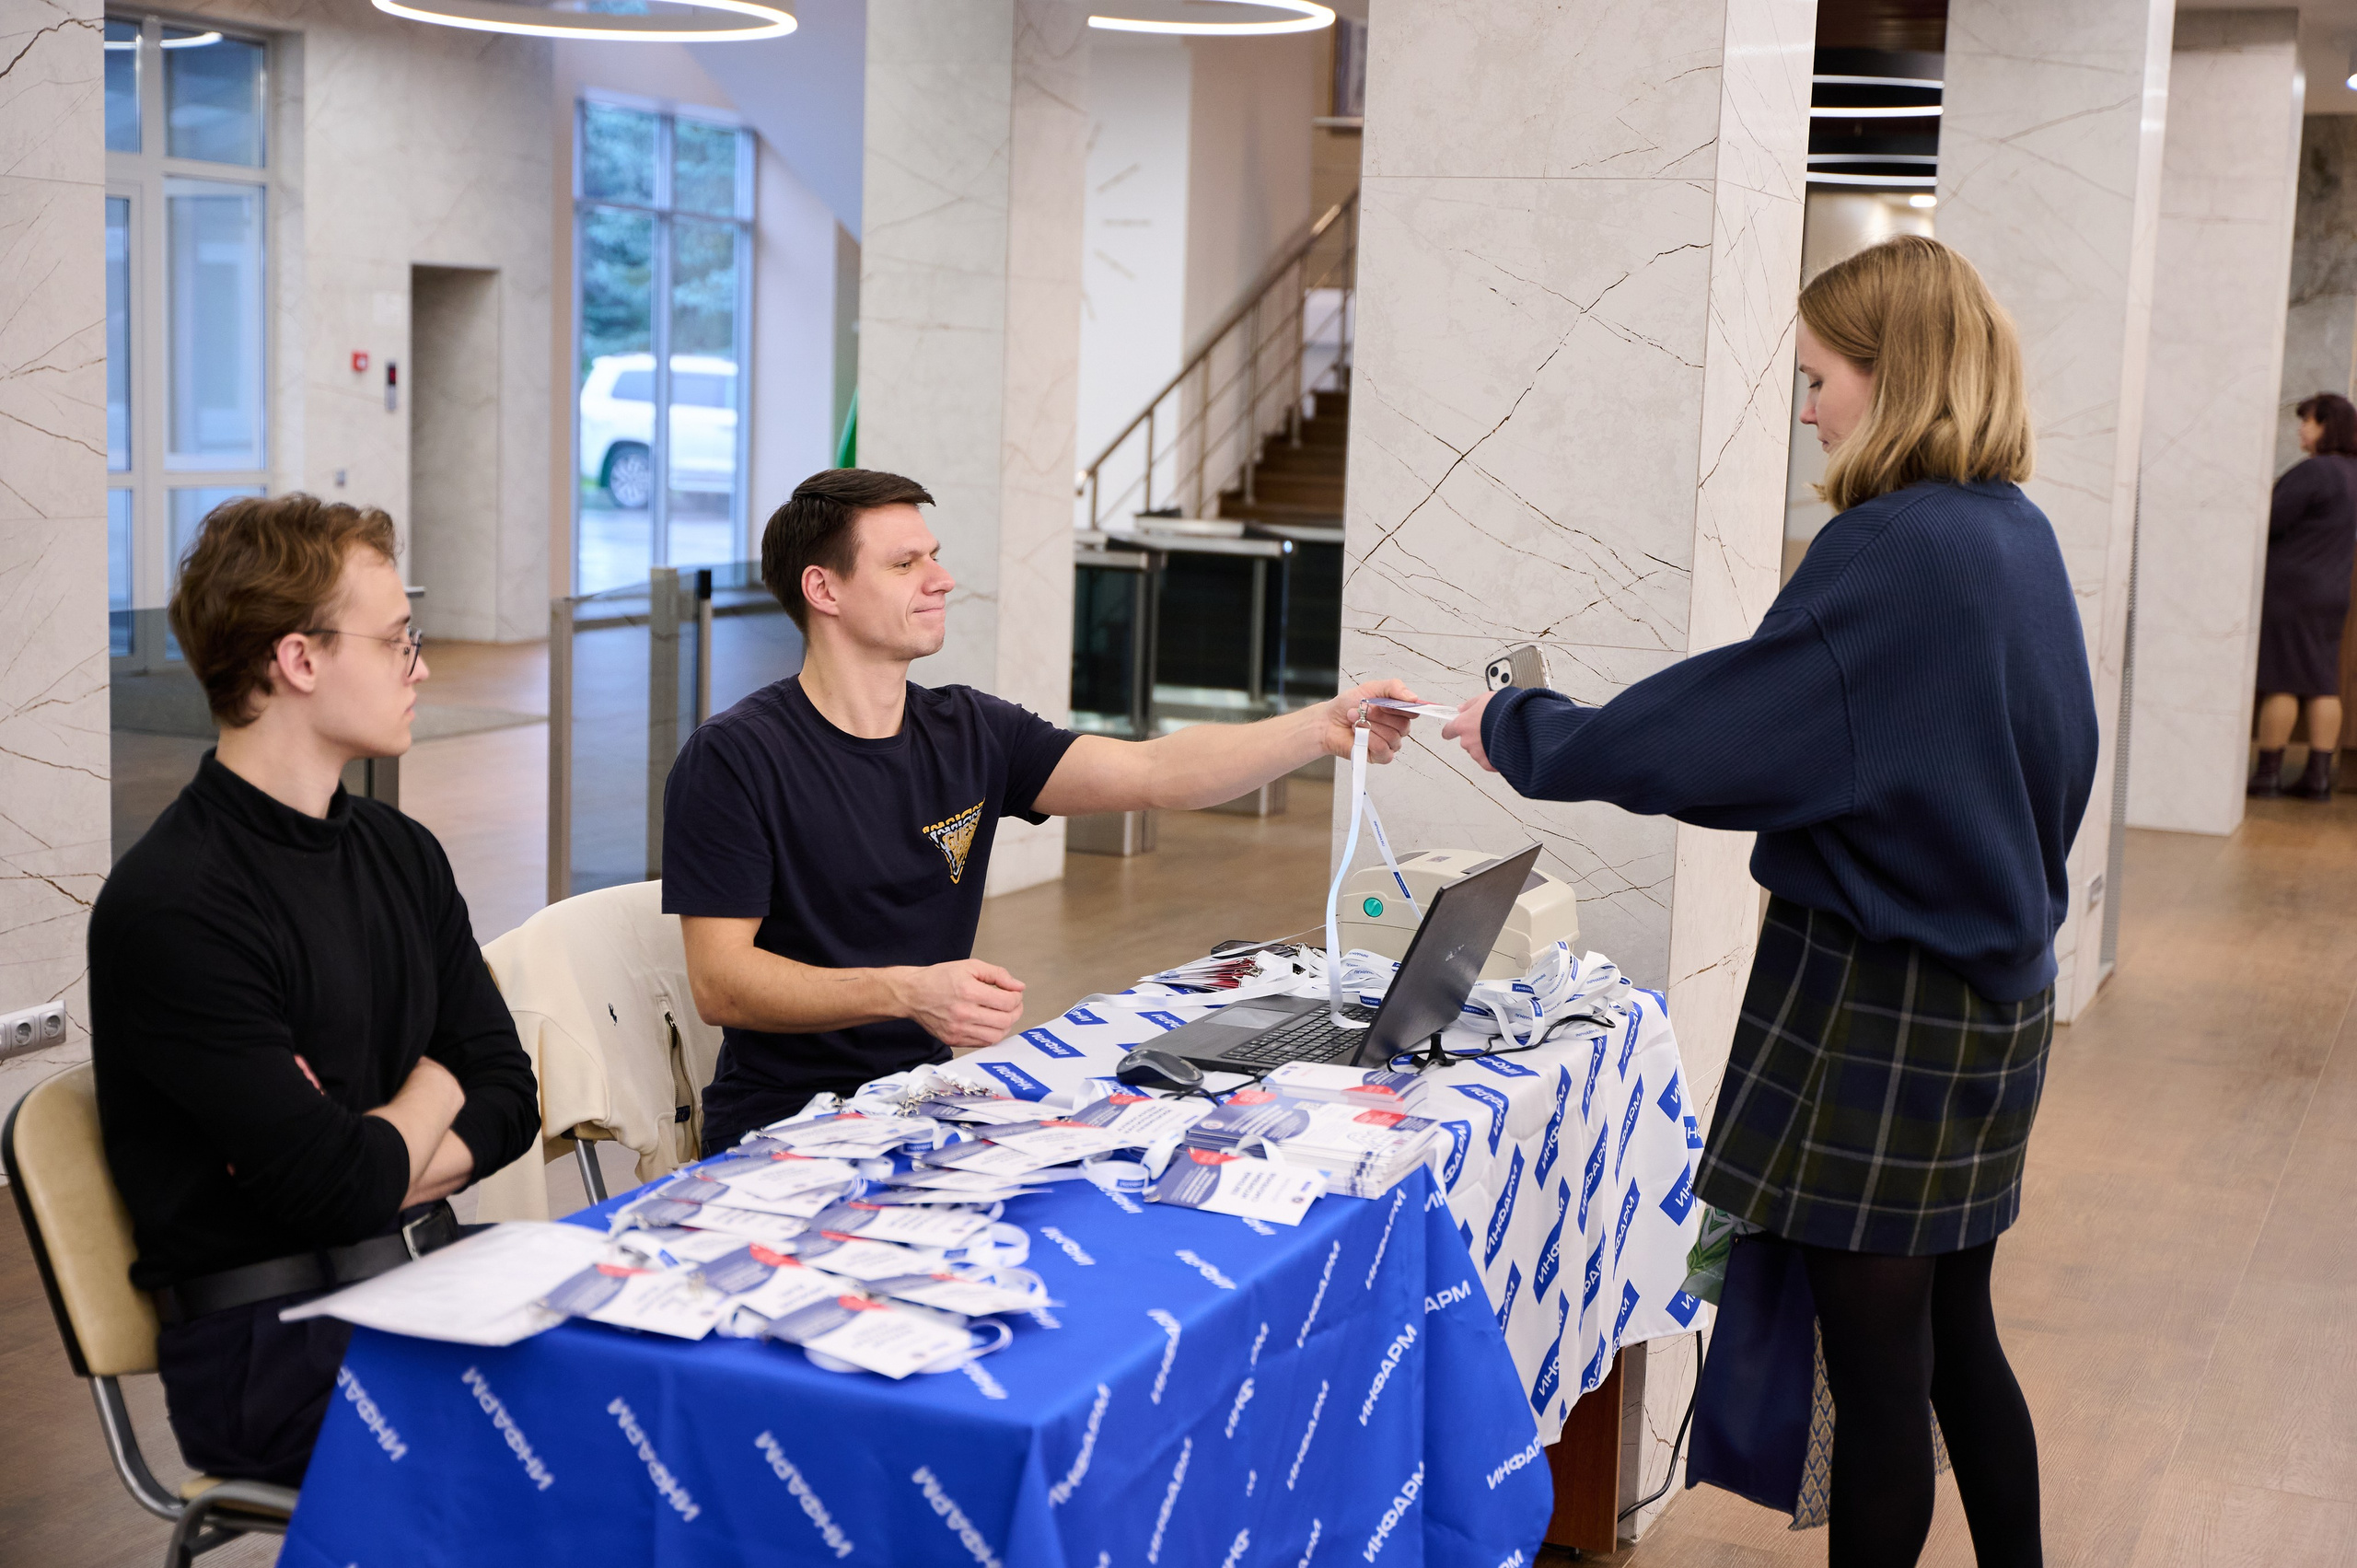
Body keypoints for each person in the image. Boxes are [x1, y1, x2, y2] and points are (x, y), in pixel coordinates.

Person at [1441, 236, 2091, 1568]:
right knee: (1959, 1335)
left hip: (1881, 1004)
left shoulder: (1895, 550)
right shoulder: (2014, 533)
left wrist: (1522, 725)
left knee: (1878, 1374)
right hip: (1991, 994)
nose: (1807, 407)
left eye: (1819, 376)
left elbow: (1725, 728)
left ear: (1891, 374)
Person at [663, 467, 1418, 1151]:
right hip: (786, 1127)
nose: (943, 578)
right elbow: (719, 983)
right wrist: (907, 990)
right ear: (823, 589)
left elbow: (1153, 769)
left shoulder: (972, 730)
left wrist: (1320, 727)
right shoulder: (734, 757)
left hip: (924, 1107)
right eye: (905, 564)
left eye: (934, 555)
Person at [89, 495, 538, 1488]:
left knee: (694, 1374)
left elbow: (509, 1088)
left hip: (423, 1270)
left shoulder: (399, 850)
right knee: (601, 1437)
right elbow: (340, 1184)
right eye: (395, 641)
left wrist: (379, 1144)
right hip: (273, 1348)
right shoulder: (175, 904)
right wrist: (435, 1081)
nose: (421, 667)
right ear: (299, 659)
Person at [2248, 391, 2357, 800]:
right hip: (2333, 591)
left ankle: (2268, 774)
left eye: (2308, 420)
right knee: (2323, 682)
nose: (2301, 428)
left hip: (2294, 590)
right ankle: (2318, 777)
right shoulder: (2352, 473)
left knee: (2283, 681)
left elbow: (2271, 520)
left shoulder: (2316, 472)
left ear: (2328, 426)